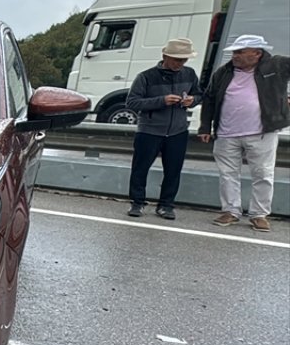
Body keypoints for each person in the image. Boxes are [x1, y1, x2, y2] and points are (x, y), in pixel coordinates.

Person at [198, 34, 290, 232]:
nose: (235, 56)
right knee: (228, 174)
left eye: (240, 52)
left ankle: (259, 214)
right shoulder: (223, 72)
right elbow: (210, 99)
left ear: (257, 53)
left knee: (263, 173)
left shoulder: (276, 65)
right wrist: (205, 126)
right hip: (226, 132)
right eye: (234, 52)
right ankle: (230, 211)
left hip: (261, 131)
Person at [124, 38, 202, 219]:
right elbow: (132, 102)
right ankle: (137, 202)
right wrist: (162, 101)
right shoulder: (146, 76)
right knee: (140, 168)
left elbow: (199, 94)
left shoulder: (190, 74)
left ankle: (166, 205)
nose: (179, 64)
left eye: (183, 60)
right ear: (165, 55)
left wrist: (192, 100)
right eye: (176, 59)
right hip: (149, 130)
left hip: (178, 131)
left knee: (173, 170)